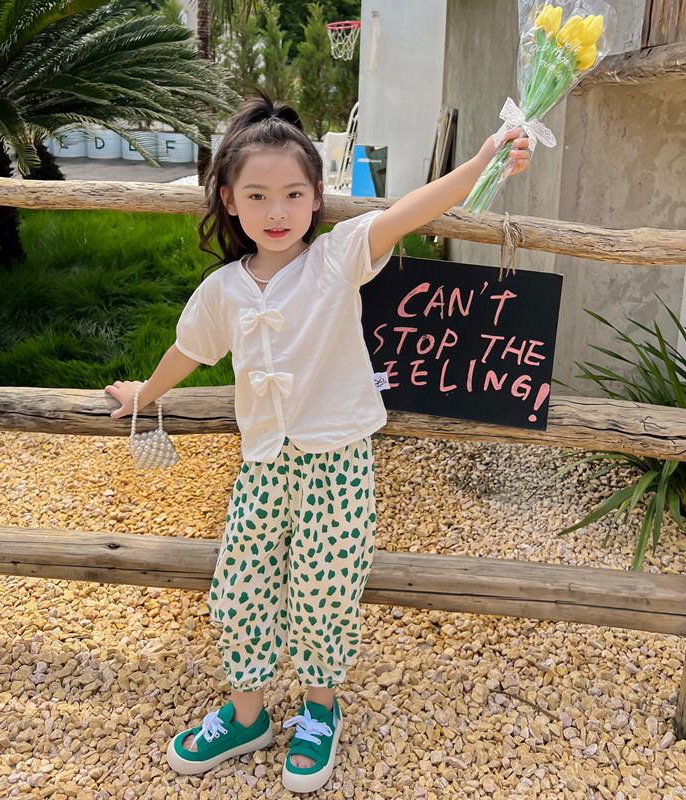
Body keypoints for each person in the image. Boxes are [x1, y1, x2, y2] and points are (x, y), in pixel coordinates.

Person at [104, 93, 530, 793]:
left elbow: (413, 209)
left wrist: (485, 157)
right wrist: (144, 394)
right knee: (240, 586)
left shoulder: (336, 257)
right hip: (262, 467)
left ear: (316, 196)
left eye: (293, 194)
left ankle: (318, 711)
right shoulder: (223, 290)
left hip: (337, 462)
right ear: (229, 200)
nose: (277, 211)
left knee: (326, 589)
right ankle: (246, 715)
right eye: (258, 195)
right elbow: (189, 350)